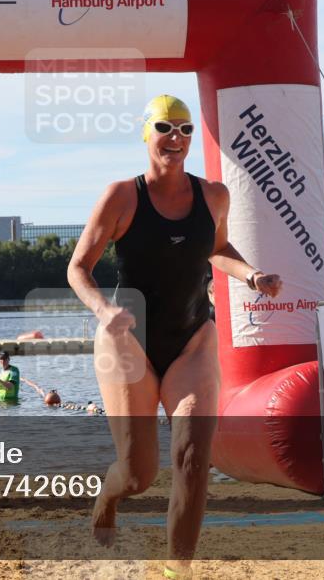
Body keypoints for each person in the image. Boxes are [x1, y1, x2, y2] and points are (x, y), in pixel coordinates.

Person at [66, 94, 283, 576]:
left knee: (191, 456)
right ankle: (110, 490)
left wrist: (251, 275)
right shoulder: (122, 196)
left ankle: (176, 571)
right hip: (128, 340)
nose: (176, 139)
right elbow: (78, 268)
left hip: (192, 338)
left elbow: (218, 247)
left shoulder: (213, 196)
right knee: (139, 475)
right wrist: (102, 309)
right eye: (165, 128)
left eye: (185, 130)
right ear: (147, 134)